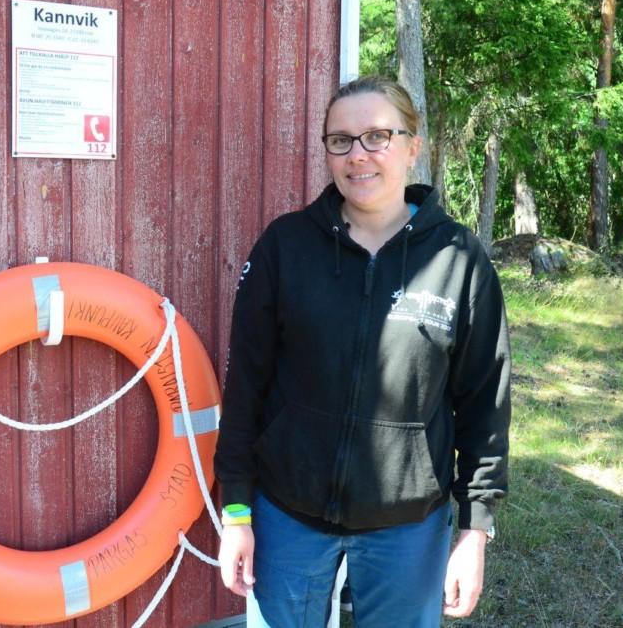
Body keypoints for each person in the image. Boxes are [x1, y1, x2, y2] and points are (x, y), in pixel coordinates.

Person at [214, 76, 511, 627]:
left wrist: (475, 531)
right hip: (288, 514)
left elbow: (484, 406)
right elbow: (246, 388)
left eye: (377, 136)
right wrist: (236, 511)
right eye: (341, 140)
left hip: (408, 525)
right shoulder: (285, 246)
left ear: (412, 146)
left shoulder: (459, 260)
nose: (358, 156)